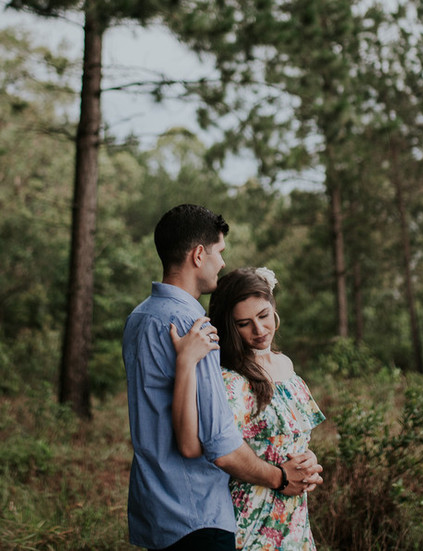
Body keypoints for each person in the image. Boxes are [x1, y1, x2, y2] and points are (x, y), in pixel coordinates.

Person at [123, 205, 323, 551]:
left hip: (155, 506)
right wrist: (281, 477)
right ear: (199, 254)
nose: (222, 262)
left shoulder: (139, 317)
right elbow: (217, 444)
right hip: (198, 511)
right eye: (219, 252)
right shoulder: (194, 327)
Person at [171, 266, 326, 551]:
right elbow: (221, 452)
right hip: (253, 516)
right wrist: (281, 476)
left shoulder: (285, 364)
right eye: (244, 323)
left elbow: (290, 437)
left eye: (263, 315)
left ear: (273, 307)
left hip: (294, 517)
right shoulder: (231, 380)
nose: (259, 330)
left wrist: (307, 461)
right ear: (230, 327)